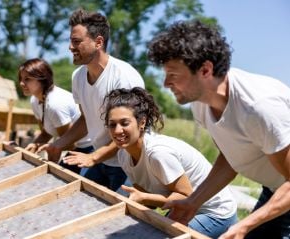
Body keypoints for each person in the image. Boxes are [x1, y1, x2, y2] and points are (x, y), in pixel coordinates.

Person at [147, 19, 290, 239]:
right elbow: (230, 157)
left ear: (205, 70)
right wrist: (193, 202)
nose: (166, 83)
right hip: (276, 190)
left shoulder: (259, 108)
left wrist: (244, 225)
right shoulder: (200, 103)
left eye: (173, 75)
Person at [103, 87, 237, 238]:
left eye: (124, 123)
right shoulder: (123, 155)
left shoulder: (158, 153)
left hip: (214, 212)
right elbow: (147, 199)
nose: (117, 130)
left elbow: (185, 197)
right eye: (112, 124)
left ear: (142, 123)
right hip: (183, 209)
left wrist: (144, 199)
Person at [39, 9, 145, 191]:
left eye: (76, 42)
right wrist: (58, 145)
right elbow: (86, 119)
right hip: (100, 159)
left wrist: (93, 157)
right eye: (71, 41)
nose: (70, 47)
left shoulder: (124, 77)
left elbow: (131, 132)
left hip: (128, 163)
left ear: (98, 42)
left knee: (120, 217)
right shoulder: (78, 77)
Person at [17, 58, 93, 174]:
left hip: (90, 148)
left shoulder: (55, 104)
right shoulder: (35, 100)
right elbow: (46, 132)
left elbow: (69, 143)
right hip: (75, 147)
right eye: (21, 79)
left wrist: (49, 146)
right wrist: (35, 144)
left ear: (42, 79)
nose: (22, 83)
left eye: (27, 79)